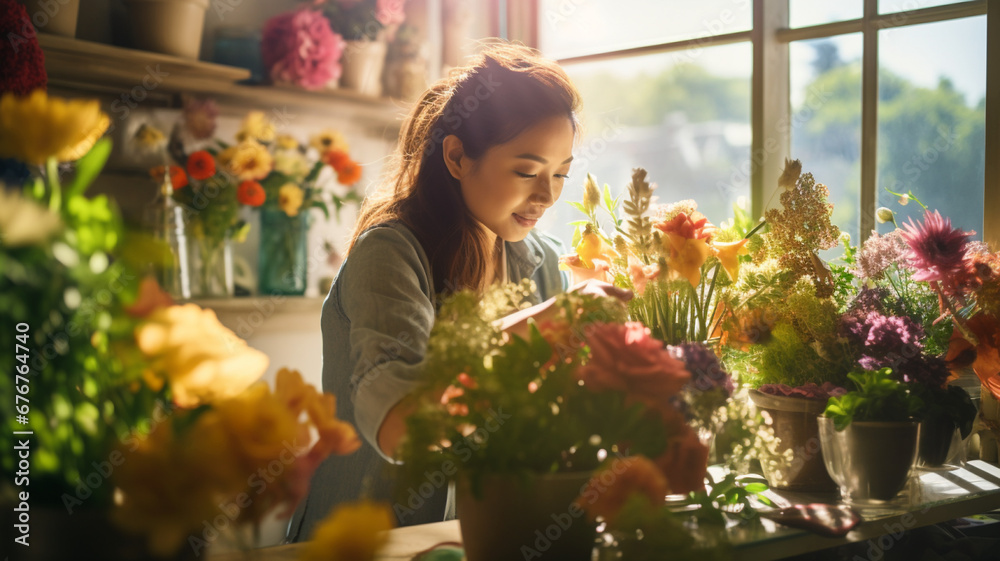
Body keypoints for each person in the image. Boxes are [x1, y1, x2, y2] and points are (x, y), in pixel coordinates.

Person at [285, 42, 630, 542]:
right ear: (456, 156)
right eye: (527, 171)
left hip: (479, 538)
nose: (547, 196)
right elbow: (402, 428)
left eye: (560, 175)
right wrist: (554, 321)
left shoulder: (543, 263)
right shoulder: (389, 254)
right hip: (364, 545)